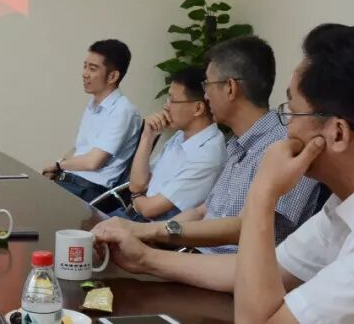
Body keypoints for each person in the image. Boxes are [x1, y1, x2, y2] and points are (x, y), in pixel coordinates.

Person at [99, 24, 354, 323]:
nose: (285, 127)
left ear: (337, 133)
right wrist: (144, 258)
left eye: (292, 112)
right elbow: (263, 270)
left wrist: (263, 194)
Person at [94, 36, 320, 253]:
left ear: (230, 88)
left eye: (208, 85)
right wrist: (146, 234)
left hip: (228, 269)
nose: (206, 95)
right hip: (194, 253)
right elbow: (203, 211)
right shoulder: (235, 144)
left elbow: (248, 227)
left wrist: (150, 234)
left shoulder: (285, 145)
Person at [119, 66, 224, 221]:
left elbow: (149, 209)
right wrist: (147, 137)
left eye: (172, 100)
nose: (166, 106)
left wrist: (136, 197)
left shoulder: (207, 156)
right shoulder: (181, 136)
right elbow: (137, 184)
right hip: (133, 215)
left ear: (198, 108)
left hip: (152, 228)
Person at [42, 39, 143, 202]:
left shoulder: (123, 111)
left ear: (113, 76)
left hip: (91, 191)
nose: (85, 73)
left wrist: (59, 165)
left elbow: (93, 162)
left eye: (92, 68)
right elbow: (79, 149)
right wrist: (57, 169)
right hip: (71, 181)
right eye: (85, 66)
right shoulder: (93, 104)